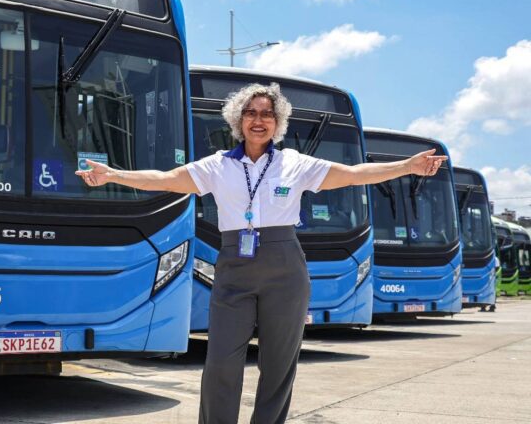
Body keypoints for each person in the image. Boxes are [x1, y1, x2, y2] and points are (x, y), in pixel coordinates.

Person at [75, 83, 446, 424]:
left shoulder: (294, 163)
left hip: (285, 267)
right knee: (222, 361)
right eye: (251, 113)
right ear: (238, 120)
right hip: (234, 265)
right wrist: (114, 175)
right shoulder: (217, 165)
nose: (259, 120)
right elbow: (166, 179)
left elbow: (353, 174)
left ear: (277, 122)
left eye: (267, 113)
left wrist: (407, 166)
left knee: (278, 363)